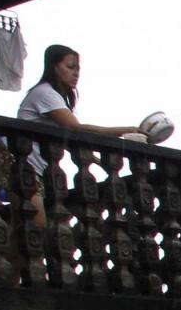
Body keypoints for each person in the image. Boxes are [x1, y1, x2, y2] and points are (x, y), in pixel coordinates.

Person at [15, 45, 145, 227]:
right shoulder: (45, 93)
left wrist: (97, 161)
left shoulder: (55, 96)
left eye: (77, 69)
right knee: (37, 226)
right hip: (20, 165)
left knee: (28, 230)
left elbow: (68, 139)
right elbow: (76, 129)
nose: (76, 73)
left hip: (33, 168)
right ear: (54, 67)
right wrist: (126, 130)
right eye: (70, 67)